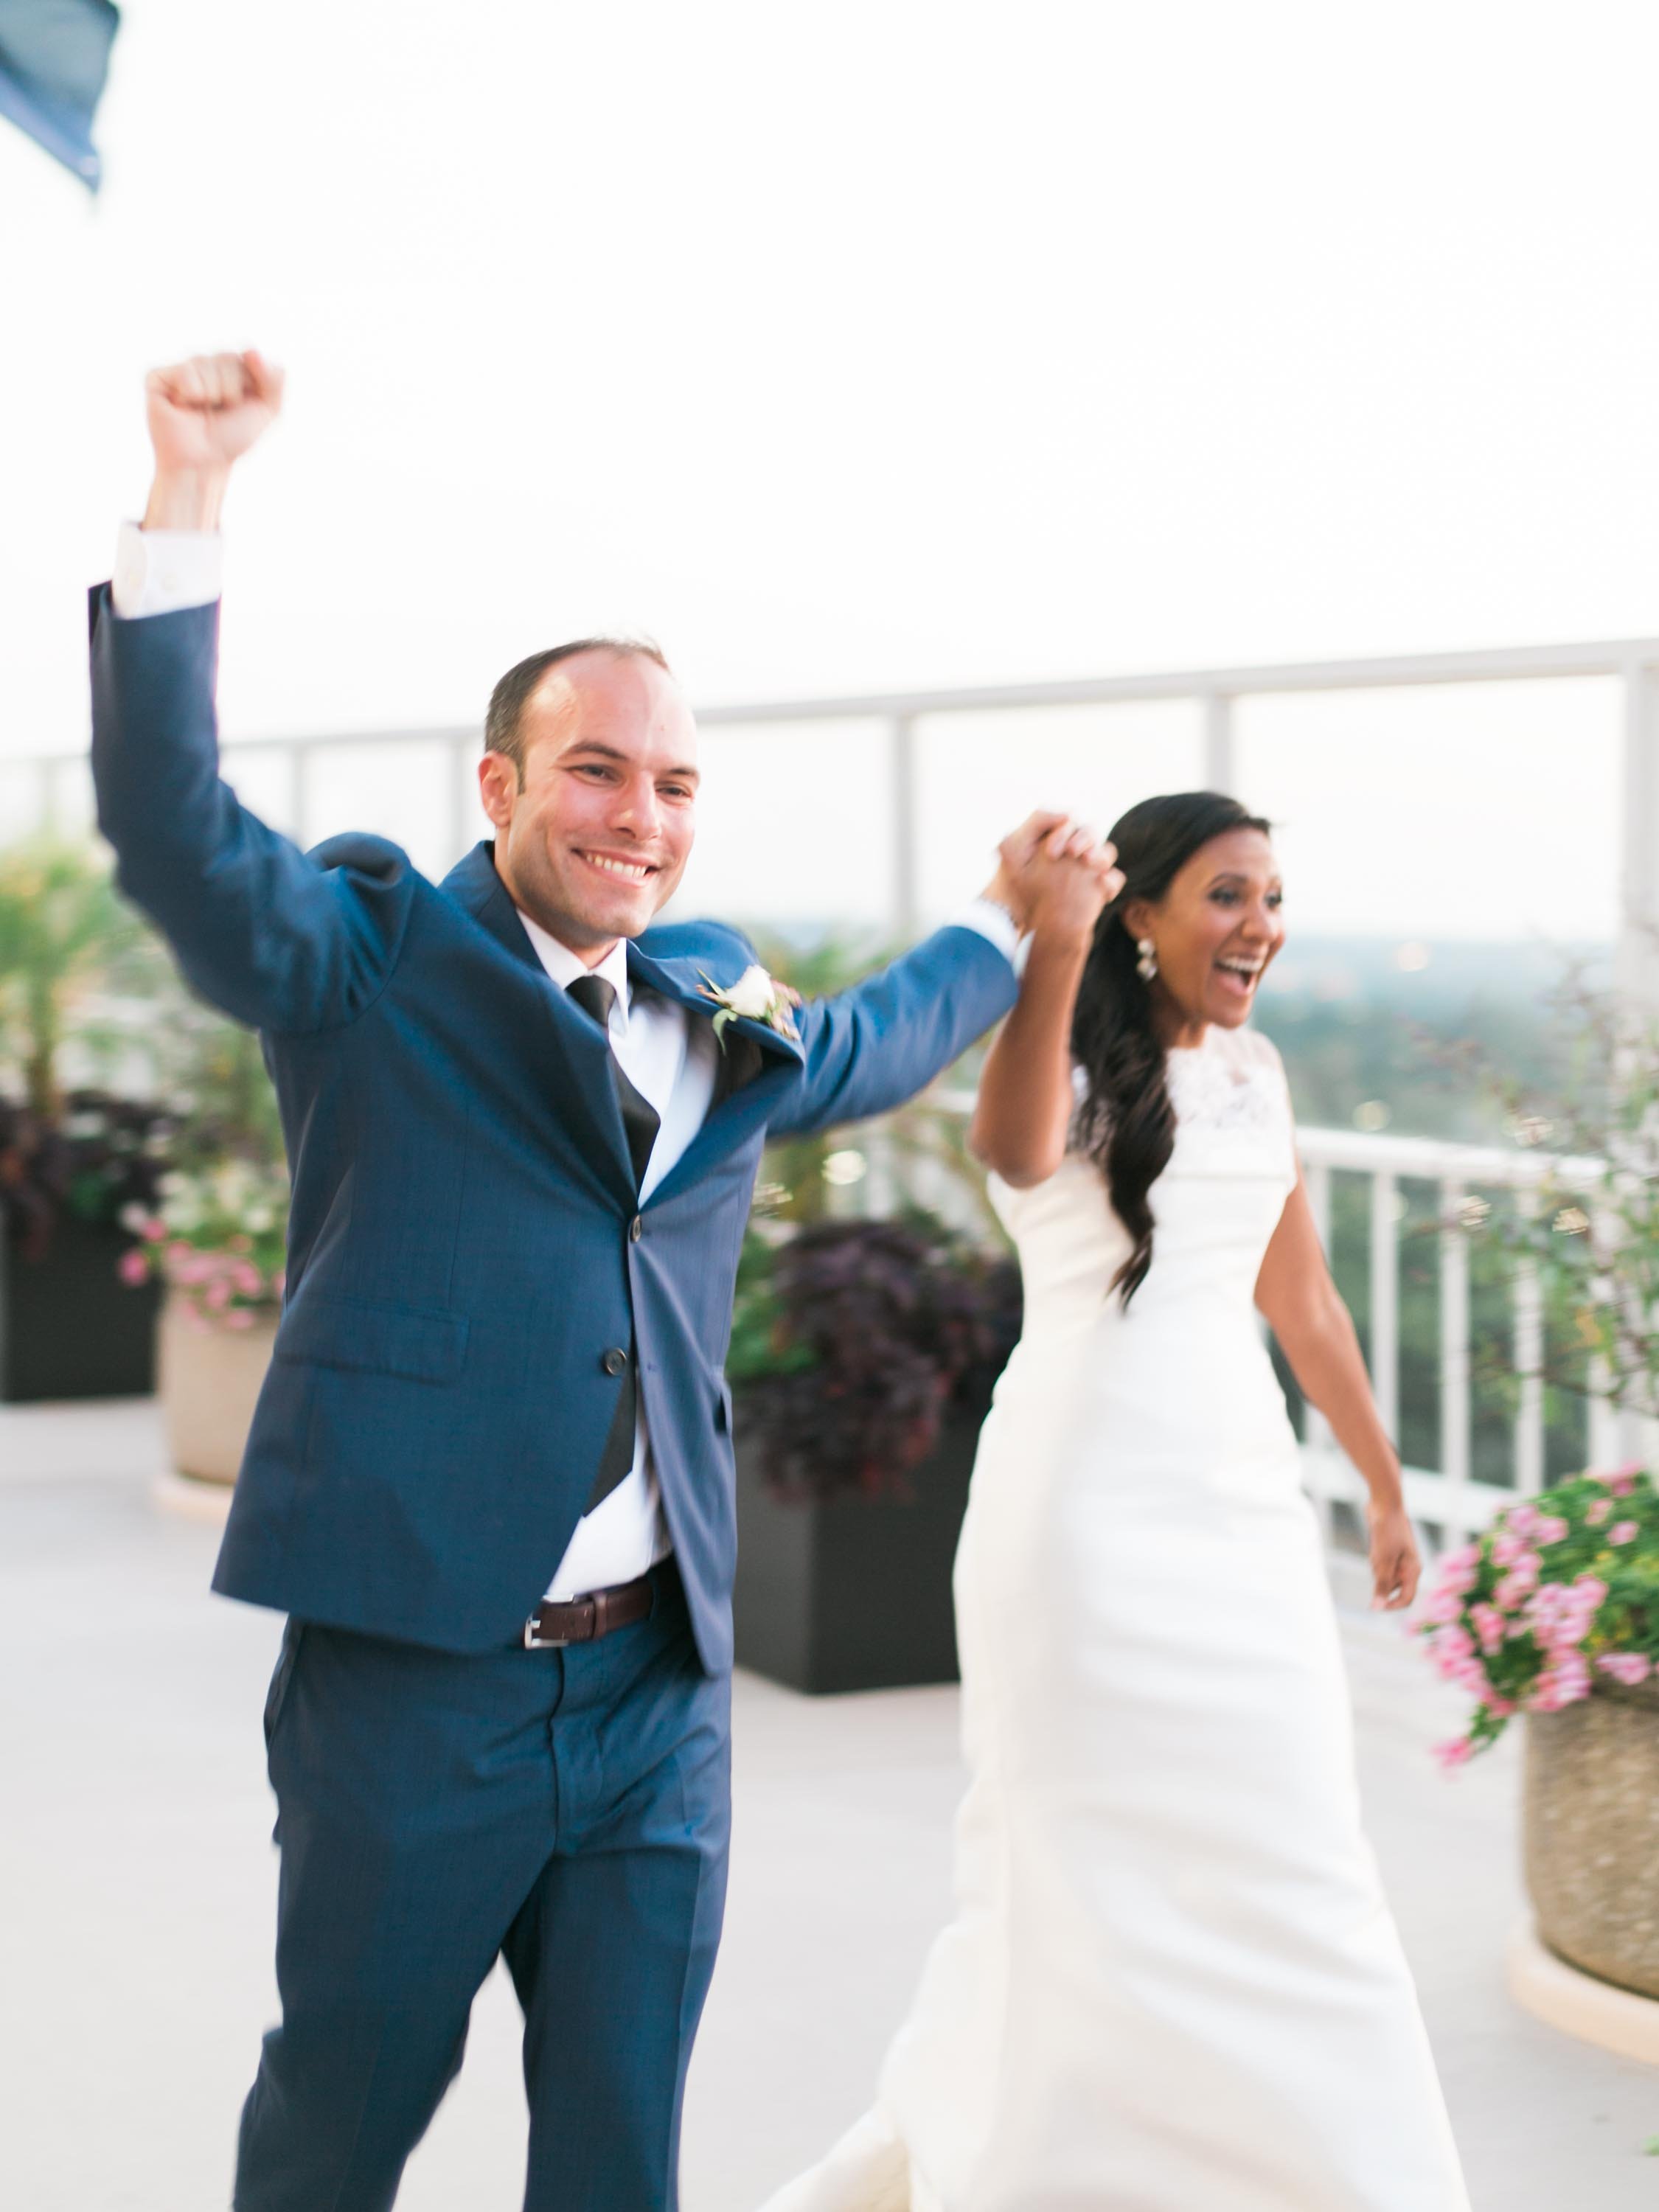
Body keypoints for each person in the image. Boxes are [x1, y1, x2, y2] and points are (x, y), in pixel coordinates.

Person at [88, 349, 1121, 2212]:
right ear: (499, 781)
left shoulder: (707, 1000)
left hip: (659, 1692)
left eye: (674, 785)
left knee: (621, 2158)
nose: (640, 815)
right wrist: (189, 500)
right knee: (338, 2123)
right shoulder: (373, 953)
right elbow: (177, 837)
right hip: (418, 1684)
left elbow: (881, 1043)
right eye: (595, 771)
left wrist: (1009, 915)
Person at [762, 791, 1470, 2212]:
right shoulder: (1069, 1058)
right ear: (1137, 917)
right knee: (1079, 1858)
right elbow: (1016, 1153)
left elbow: (1306, 1302)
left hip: (1244, 1511)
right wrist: (1048, 945)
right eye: (1225, 894)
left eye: (1270, 894)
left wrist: (1387, 1490)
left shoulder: (1257, 1075)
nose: (1258, 923)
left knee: (1291, 1847)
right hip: (1083, 1510)